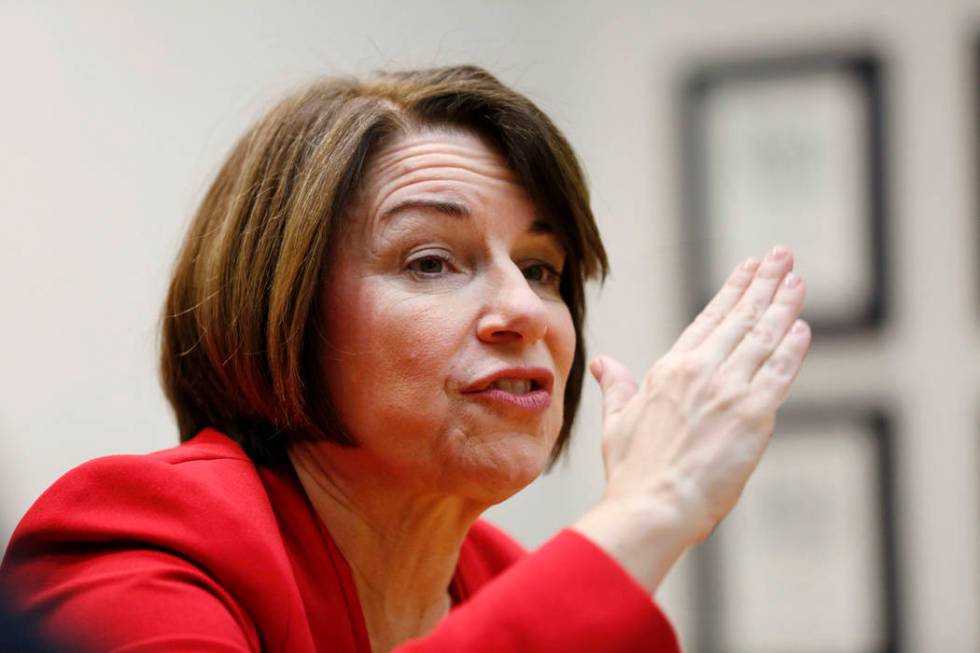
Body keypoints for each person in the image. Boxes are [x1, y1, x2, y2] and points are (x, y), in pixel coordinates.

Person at [0, 65, 810, 652]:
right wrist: (648, 511)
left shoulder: (506, 584)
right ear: (282, 314)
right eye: (431, 262)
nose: (525, 310)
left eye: (541, 269)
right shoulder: (140, 539)